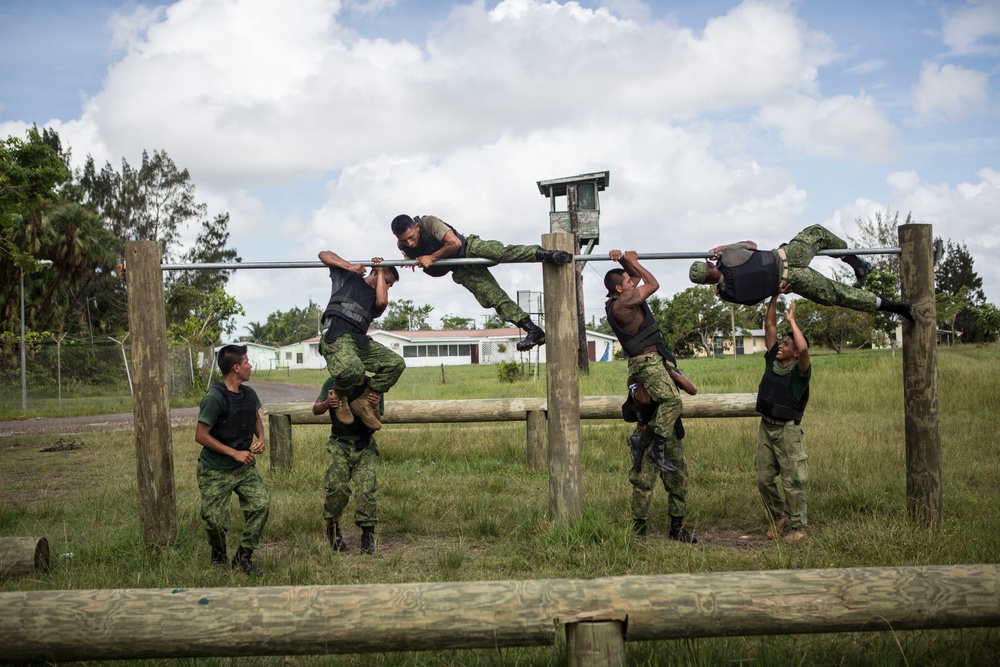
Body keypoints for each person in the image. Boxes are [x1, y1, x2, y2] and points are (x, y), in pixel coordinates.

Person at [605, 249, 697, 543]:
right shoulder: (623, 304)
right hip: (650, 425)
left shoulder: (624, 298)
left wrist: (623, 261)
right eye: (628, 282)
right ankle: (640, 530)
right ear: (620, 289)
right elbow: (651, 283)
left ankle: (677, 529)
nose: (634, 283)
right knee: (644, 481)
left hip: (668, 431)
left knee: (678, 478)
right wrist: (634, 263)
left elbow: (633, 278)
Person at [390, 214, 573, 351]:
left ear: (416, 226)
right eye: (403, 240)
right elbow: (407, 254)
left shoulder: (429, 223)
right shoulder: (403, 245)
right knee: (492, 297)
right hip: (461, 268)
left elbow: (454, 243)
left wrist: (431, 257)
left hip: (469, 249)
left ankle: (548, 255)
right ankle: (533, 330)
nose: (410, 242)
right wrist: (408, 259)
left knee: (499, 253)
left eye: (411, 237)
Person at [687, 224, 914, 321]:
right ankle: (855, 263)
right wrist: (722, 248)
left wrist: (776, 291)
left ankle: (895, 307)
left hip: (790, 281)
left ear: (706, 284)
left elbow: (755, 298)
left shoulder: (727, 294)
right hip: (789, 255)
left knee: (839, 295)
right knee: (818, 232)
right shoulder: (728, 256)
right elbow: (751, 244)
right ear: (710, 264)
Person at [195, 344, 271, 575]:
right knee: (214, 520)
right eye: (247, 362)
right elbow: (201, 436)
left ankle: (243, 556)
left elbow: (254, 417)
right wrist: (234, 452)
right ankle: (218, 552)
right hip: (215, 469)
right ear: (236, 368)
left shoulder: (249, 394)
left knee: (261, 504)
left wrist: (261, 436)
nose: (250, 366)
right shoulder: (215, 398)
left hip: (243, 468)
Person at [319, 250, 405, 431]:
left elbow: (382, 301)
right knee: (354, 367)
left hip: (358, 342)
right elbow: (323, 254)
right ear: (373, 273)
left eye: (389, 284)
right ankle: (340, 396)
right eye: (387, 282)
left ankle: (364, 401)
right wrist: (350, 266)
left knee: (396, 363)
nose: (387, 287)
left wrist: (380, 270)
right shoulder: (349, 278)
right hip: (336, 336)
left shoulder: (377, 301)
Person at [755, 293, 811, 544]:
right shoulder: (772, 361)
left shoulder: (800, 373)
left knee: (793, 481)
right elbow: (768, 326)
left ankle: (798, 528)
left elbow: (804, 348)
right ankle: (780, 516)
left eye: (787, 345)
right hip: (766, 427)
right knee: (764, 478)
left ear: (795, 353)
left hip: (788, 432)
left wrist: (792, 321)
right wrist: (775, 296)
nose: (781, 346)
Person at [313, 375, 382, 554]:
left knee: (366, 490)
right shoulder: (333, 383)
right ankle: (333, 529)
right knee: (337, 488)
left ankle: (368, 536)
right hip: (339, 444)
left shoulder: (372, 386)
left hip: (364, 445)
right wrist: (328, 403)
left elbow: (377, 421)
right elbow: (316, 409)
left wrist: (374, 406)